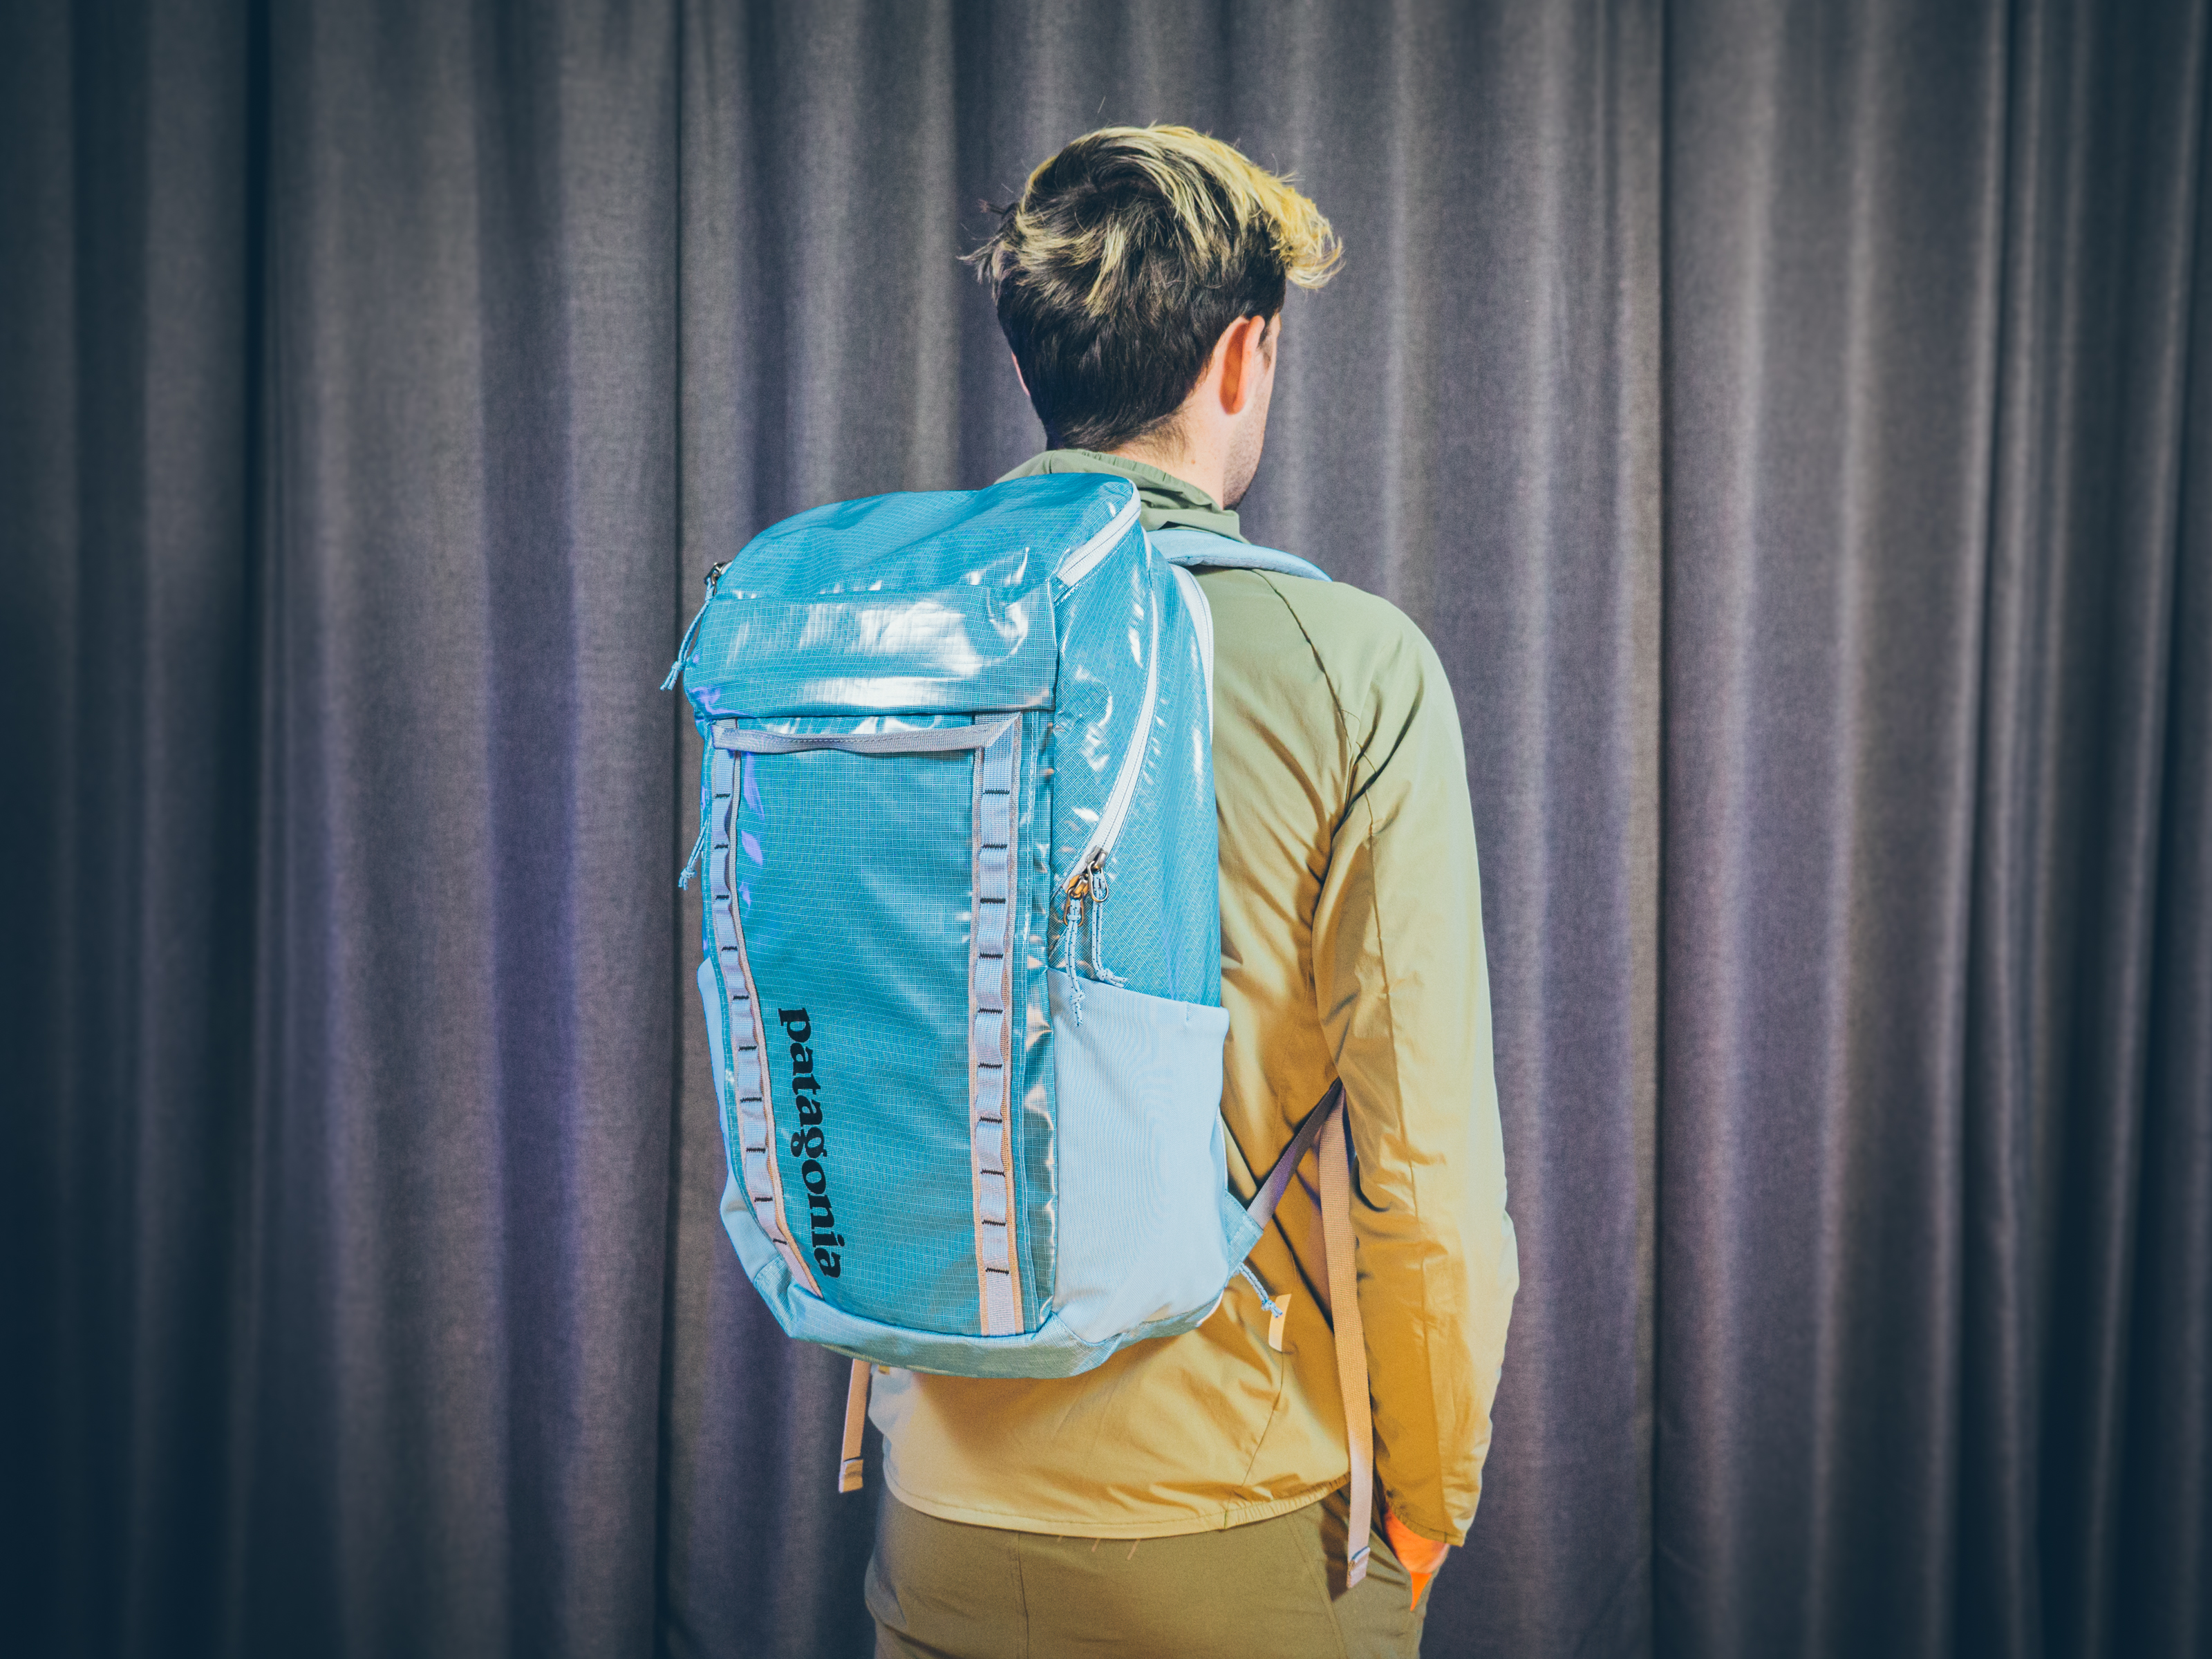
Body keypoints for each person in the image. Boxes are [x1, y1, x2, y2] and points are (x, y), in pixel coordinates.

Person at [863, 124, 1519, 1659]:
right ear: (1243, 356)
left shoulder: (886, 640)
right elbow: (1420, 1171)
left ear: (1032, 370)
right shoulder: (1351, 667)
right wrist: (1426, 1500)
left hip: (937, 1506)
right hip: (1236, 1527)